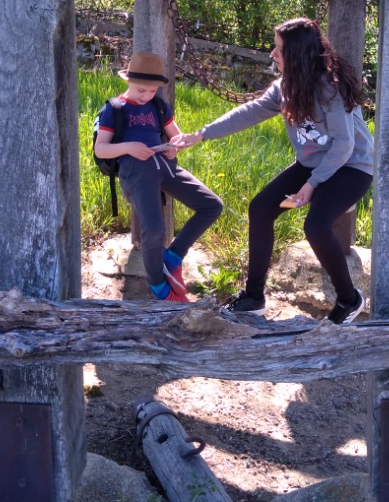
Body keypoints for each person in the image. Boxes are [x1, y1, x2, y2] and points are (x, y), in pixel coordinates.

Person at [174, 18, 373, 324]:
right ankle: (253, 297)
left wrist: (313, 184)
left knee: (316, 227)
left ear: (297, 54)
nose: (272, 53)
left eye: (279, 48)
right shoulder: (284, 87)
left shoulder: (330, 88)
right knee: (261, 208)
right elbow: (248, 112)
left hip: (351, 166)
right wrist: (200, 135)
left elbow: (344, 145)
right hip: (313, 164)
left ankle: (349, 299)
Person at [94, 51, 223, 302]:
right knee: (153, 230)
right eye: (141, 90)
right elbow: (101, 149)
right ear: (128, 81)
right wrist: (129, 147)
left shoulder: (158, 106)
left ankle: (172, 257)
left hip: (164, 165)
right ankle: (159, 287)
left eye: (152, 91)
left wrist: (175, 145)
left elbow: (176, 135)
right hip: (136, 172)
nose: (146, 96)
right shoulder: (115, 109)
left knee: (212, 205)